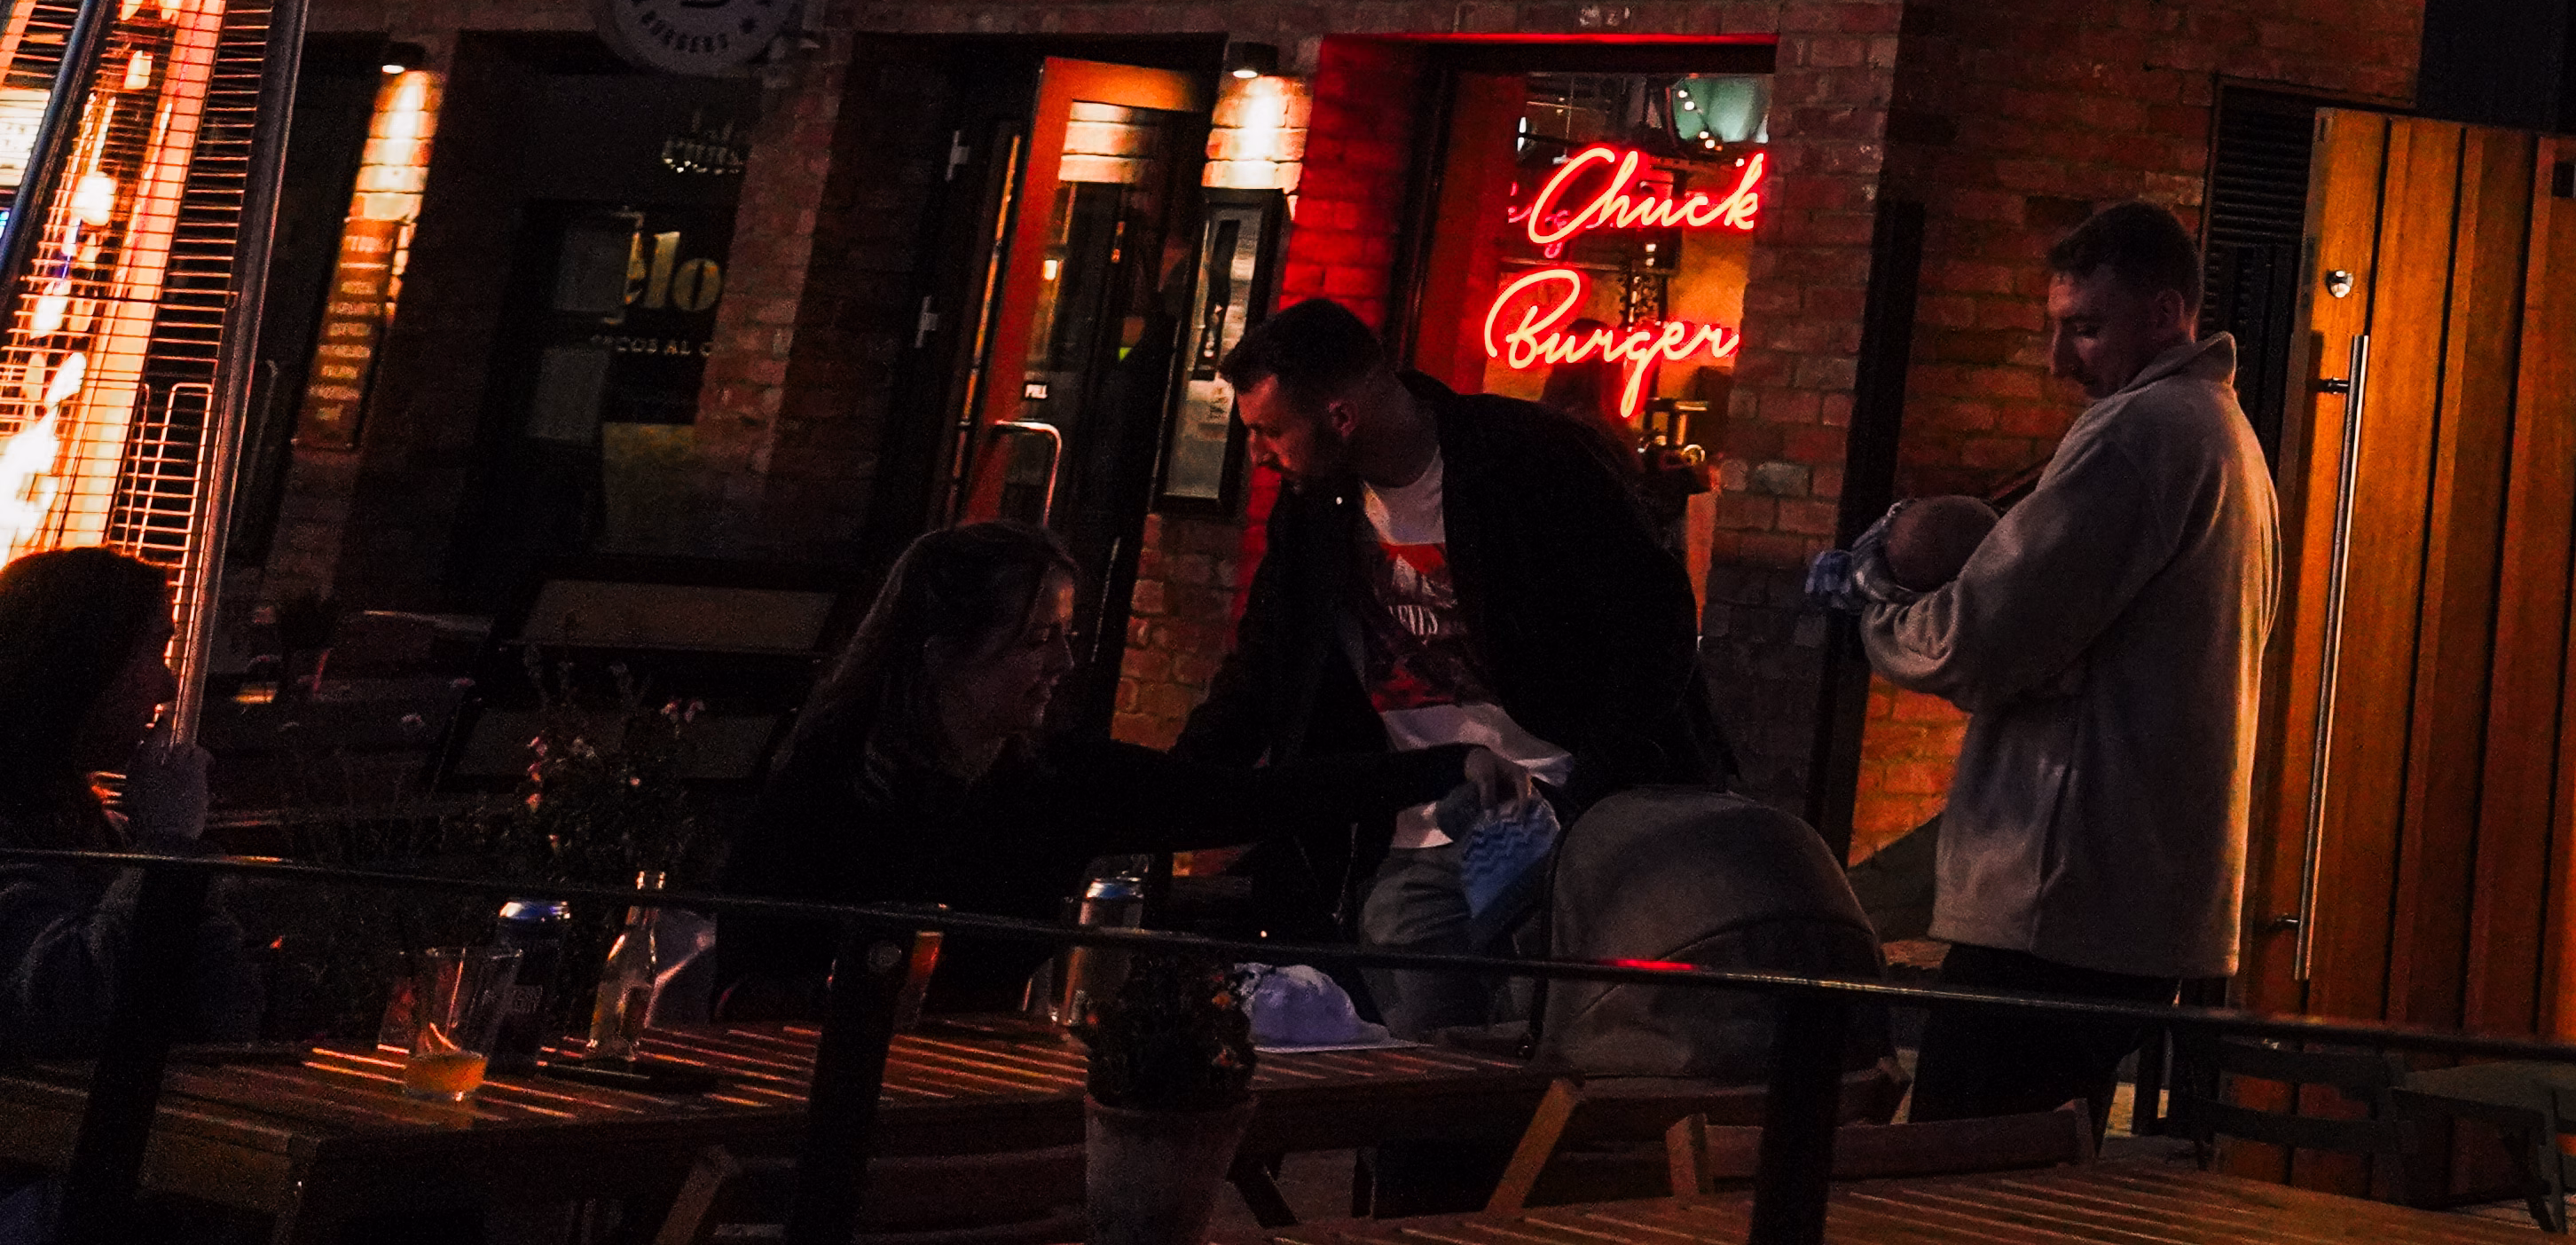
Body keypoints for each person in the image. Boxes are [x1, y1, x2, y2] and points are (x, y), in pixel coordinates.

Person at [1834, 199, 2273, 1126]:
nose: (2057, 360)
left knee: (1955, 1168)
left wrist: (1874, 601)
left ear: (2164, 313)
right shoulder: (2225, 434)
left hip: (2064, 895)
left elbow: (1979, 639)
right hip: (2142, 893)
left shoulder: (2140, 431)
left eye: (2085, 328)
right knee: (2038, 1164)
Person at [1181, 297, 1734, 1033]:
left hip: (1566, 819)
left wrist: (1591, 782)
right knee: (1417, 1057)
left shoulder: (1529, 457)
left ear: (1341, 416)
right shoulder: (1315, 508)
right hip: (1419, 828)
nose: (1257, 453)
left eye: (1270, 430)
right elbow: (1265, 663)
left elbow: (1653, 623)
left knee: (1553, 1044)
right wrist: (1176, 790)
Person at [731, 523, 1401, 1018]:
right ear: (941, 654)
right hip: (816, 1086)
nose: (1064, 664)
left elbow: (1250, 800)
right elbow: (742, 982)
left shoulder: (1053, 779)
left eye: (1066, 636)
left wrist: (1444, 767)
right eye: (1037, 640)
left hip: (975, 1091)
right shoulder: (828, 782)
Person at [0, 549, 253, 1065]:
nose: (169, 685)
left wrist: (168, 853)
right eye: (153, 651)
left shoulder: (99, 828)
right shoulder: (15, 827)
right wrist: (167, 845)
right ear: (79, 663)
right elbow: (64, 1012)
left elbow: (229, 1011)